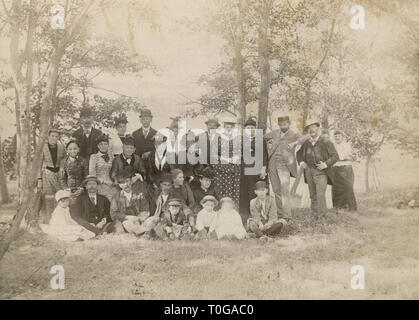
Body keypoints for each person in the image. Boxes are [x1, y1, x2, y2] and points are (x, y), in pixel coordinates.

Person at [265, 115, 308, 220]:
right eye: (281, 125)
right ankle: (280, 214)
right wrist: (268, 144)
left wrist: (295, 143)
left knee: (285, 191)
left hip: (284, 166)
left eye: (285, 124)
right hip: (272, 164)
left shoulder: (293, 134)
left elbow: (306, 137)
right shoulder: (275, 132)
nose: (283, 126)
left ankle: (287, 216)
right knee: (276, 191)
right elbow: (262, 137)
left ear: (289, 123)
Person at [296, 122, 339, 215]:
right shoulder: (306, 143)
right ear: (308, 131)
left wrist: (325, 164)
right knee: (312, 196)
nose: (312, 130)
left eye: (314, 128)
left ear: (318, 129)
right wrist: (301, 162)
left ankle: (322, 217)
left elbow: (335, 156)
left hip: (321, 172)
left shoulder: (326, 142)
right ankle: (314, 215)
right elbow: (298, 154)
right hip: (308, 172)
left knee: (320, 195)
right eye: (310, 129)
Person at [239, 117, 268, 223]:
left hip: (256, 170)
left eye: (252, 127)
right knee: (243, 191)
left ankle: (257, 215)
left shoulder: (260, 140)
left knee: (254, 191)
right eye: (248, 127)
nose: (250, 130)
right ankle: (244, 215)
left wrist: (263, 169)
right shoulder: (241, 140)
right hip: (243, 169)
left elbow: (265, 156)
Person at [37, 129, 66, 222]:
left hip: (58, 175)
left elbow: (63, 159)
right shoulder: (42, 147)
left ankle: (58, 221)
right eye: (52, 136)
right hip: (46, 174)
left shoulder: (61, 147)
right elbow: (38, 164)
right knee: (48, 198)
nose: (54, 138)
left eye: (56, 136)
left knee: (59, 197)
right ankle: (47, 220)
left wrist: (61, 168)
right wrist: (39, 179)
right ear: (48, 136)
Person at [110, 170, 151, 235]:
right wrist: (127, 217)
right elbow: (113, 214)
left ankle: (142, 230)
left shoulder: (139, 194)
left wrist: (139, 219)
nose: (126, 184)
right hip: (126, 222)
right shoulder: (116, 197)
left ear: (131, 181)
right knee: (127, 224)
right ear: (119, 185)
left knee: (153, 219)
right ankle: (143, 232)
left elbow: (145, 210)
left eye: (127, 181)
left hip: (140, 220)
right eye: (122, 183)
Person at [213, 120, 241, 207]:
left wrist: (236, 158)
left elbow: (240, 152)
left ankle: (233, 210)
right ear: (224, 128)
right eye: (227, 127)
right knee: (222, 189)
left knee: (234, 189)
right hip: (221, 167)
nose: (229, 129)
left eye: (231, 127)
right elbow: (214, 153)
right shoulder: (218, 138)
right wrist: (226, 159)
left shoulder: (237, 138)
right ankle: (222, 210)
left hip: (234, 167)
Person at [332, 130, 357, 212]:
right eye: (335, 136)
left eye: (338, 136)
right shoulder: (333, 146)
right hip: (335, 168)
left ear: (342, 137)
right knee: (337, 187)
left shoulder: (346, 145)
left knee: (348, 187)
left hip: (345, 168)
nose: (337, 138)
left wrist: (339, 158)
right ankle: (339, 206)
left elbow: (343, 156)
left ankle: (352, 207)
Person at [89, 134, 116, 201]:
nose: (103, 146)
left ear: (108, 145)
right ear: (98, 146)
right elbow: (92, 173)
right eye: (101, 144)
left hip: (112, 184)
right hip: (100, 183)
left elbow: (115, 170)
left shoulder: (112, 157)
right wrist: (97, 184)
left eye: (105, 144)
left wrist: (115, 181)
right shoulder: (94, 157)